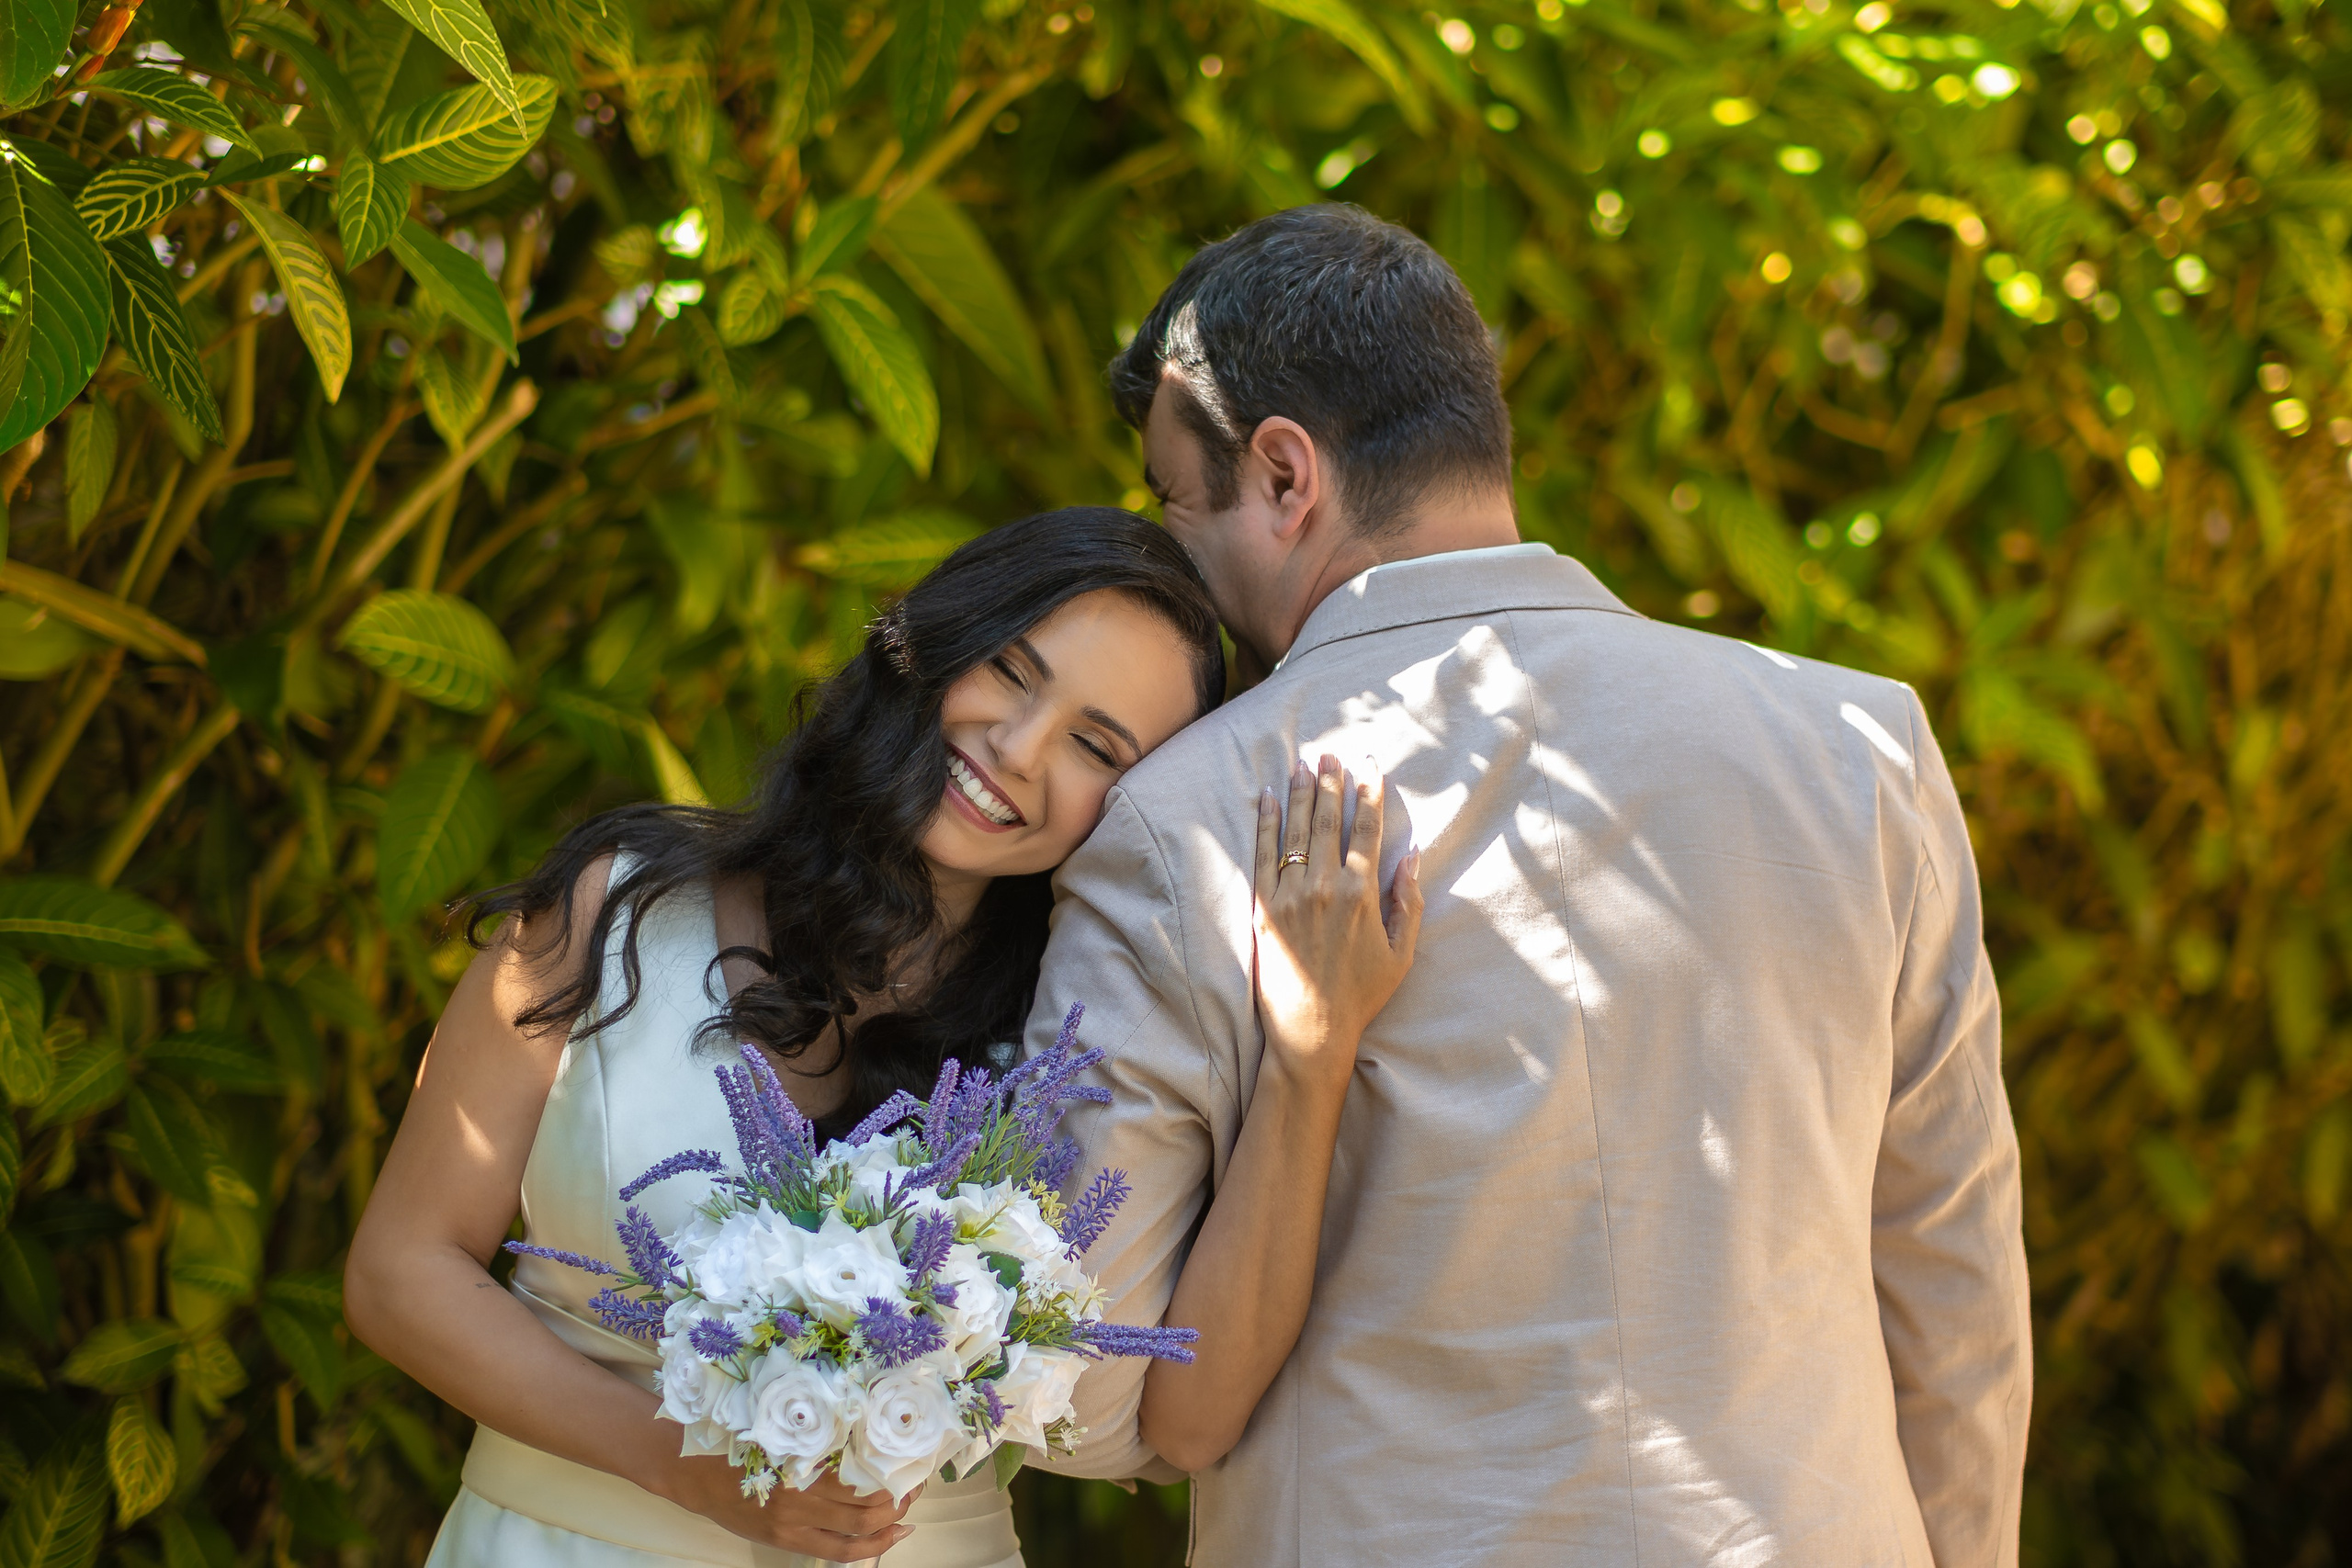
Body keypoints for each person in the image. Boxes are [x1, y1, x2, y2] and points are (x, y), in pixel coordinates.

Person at [1025, 203, 2032, 1565]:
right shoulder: (1860, 751)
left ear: (1282, 473)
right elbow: (1951, 1277)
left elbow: (1093, 1387)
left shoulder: (1180, 819)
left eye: (1172, 498)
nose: (1176, 553)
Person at [344, 506, 1423, 1568]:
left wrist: (1308, 1055)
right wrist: (676, 1467)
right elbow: (401, 1270)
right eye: (1009, 670)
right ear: (930, 645)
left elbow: (1187, 1423)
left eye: (1096, 745)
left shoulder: (1080, 1044)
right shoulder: (616, 911)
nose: (1015, 747)